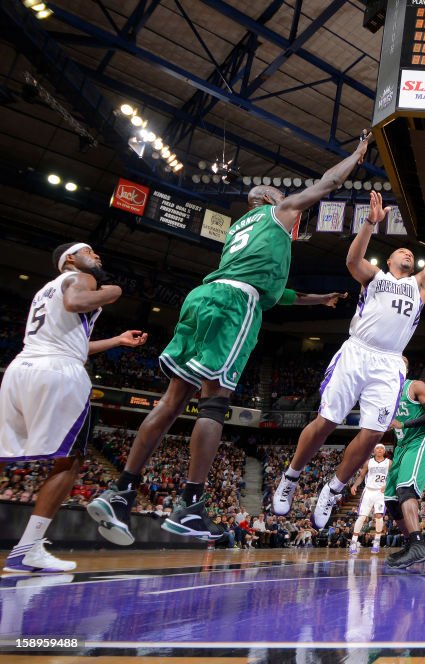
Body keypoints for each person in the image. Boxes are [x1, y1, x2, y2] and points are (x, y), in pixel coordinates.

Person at [87, 138, 369, 545]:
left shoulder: (240, 229)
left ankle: (122, 491)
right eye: (283, 196)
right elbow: (326, 184)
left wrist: (318, 299)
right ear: (271, 199)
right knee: (215, 401)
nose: (291, 202)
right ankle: (191, 504)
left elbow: (273, 291)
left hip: (202, 298)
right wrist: (355, 158)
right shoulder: (278, 212)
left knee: (171, 402)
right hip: (233, 304)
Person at [272, 194, 425, 530]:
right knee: (327, 421)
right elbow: (352, 260)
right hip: (358, 351)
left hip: (389, 364)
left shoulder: (419, 286)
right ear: (389, 260)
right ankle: (291, 477)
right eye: (401, 251)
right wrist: (369, 223)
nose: (408, 253)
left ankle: (332, 489)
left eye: (412, 253)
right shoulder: (375, 278)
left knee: (374, 432)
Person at [1, 243, 147, 573]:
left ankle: (28, 550)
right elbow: (76, 302)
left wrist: (117, 341)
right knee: (71, 460)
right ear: (70, 259)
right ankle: (27, 549)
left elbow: (75, 342)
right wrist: (114, 291)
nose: (97, 258)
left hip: (20, 370)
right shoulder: (80, 278)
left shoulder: (44, 290)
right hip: (58, 374)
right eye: (90, 252)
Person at [382, 361, 425, 568]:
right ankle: (411, 545)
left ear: (405, 368)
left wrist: (404, 424)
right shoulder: (386, 394)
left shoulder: (415, 386)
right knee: (390, 500)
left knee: (405, 490)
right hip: (401, 447)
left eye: (402, 362)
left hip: (419, 442)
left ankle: (418, 544)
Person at [347, 443, 391, 554]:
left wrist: (387, 484)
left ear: (384, 451)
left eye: (382, 448)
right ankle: (353, 542)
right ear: (374, 451)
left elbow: (393, 475)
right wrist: (355, 485)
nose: (380, 450)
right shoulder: (369, 462)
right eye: (378, 448)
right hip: (368, 491)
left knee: (379, 516)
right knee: (362, 517)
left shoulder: (389, 462)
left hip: (381, 492)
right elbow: (361, 476)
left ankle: (377, 541)